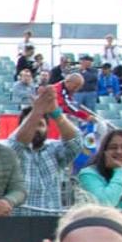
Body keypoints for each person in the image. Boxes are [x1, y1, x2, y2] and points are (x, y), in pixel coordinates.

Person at [9, 85, 86, 216]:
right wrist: (37, 111)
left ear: (47, 129)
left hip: (50, 221)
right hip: (18, 219)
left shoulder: (54, 149)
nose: (36, 128)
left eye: (41, 124)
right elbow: (17, 144)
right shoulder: (8, 149)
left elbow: (76, 143)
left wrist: (56, 112)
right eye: (32, 123)